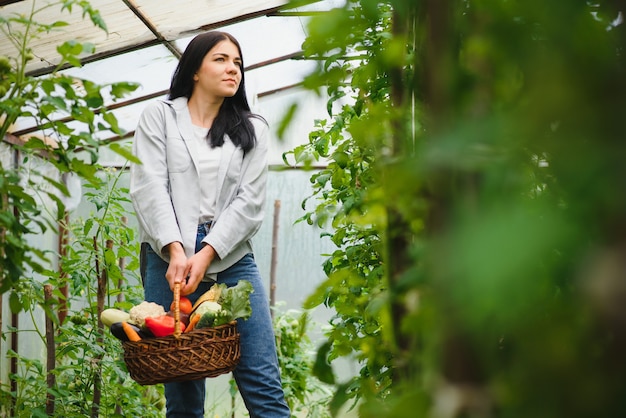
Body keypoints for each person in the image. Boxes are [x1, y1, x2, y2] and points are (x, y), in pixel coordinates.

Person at [129, 31, 291, 418]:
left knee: (261, 379)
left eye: (237, 62)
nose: (232, 68)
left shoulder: (252, 128)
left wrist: (204, 254)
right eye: (221, 59)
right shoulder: (160, 117)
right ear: (195, 70)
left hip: (231, 256)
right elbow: (150, 187)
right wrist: (175, 250)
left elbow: (249, 204)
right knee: (182, 390)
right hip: (166, 257)